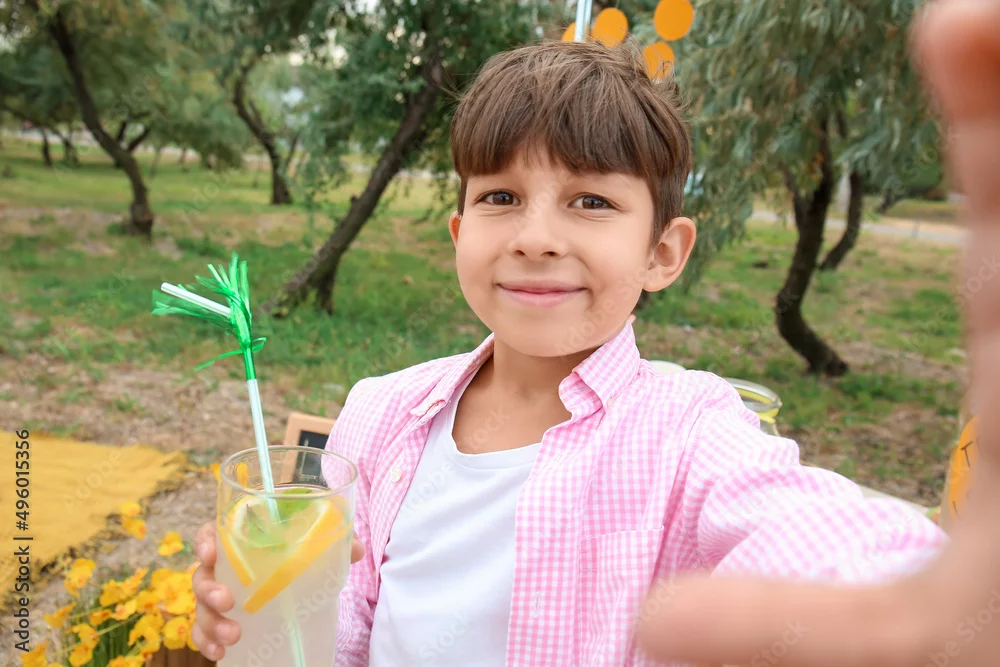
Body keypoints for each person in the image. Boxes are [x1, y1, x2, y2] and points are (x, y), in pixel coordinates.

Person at [190, 1, 999, 663]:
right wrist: (266, 623)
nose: (536, 237)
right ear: (459, 231)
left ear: (663, 252)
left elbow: (818, 538)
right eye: (501, 197)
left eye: (591, 201)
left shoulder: (691, 434)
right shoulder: (379, 415)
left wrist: (942, 601)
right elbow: (345, 634)